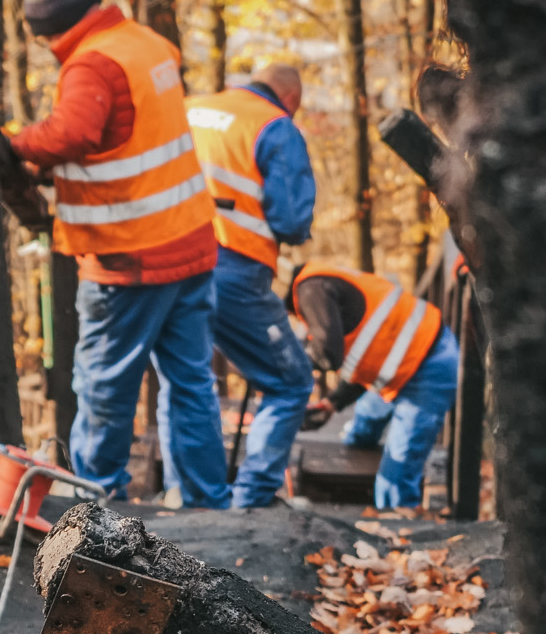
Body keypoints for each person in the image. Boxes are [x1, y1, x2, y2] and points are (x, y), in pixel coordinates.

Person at [6, 0, 230, 507]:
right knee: (190, 383)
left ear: (48, 29)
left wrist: (13, 142)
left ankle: (94, 501)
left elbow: (73, 132)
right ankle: (205, 502)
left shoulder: (92, 66)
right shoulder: (145, 43)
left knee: (104, 383)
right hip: (191, 241)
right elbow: (124, 140)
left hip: (130, 255)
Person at [186, 64, 317, 508]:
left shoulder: (192, 108)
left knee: (185, 377)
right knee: (291, 381)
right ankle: (252, 498)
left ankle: (197, 499)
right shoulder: (275, 126)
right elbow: (291, 220)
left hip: (172, 261)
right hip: (233, 268)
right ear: (290, 97)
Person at [290, 261, 460, 510]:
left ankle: (398, 531)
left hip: (431, 366)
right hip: (399, 368)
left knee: (395, 478)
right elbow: (364, 356)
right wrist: (333, 403)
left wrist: (287, 369)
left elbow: (328, 353)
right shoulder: (328, 282)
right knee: (361, 431)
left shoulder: (310, 289)